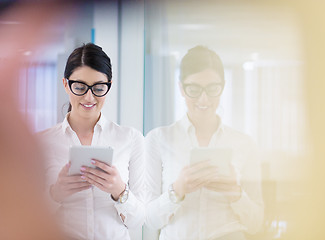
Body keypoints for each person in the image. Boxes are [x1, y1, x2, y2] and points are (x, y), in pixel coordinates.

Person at [145, 46, 264, 240]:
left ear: (223, 87)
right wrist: (178, 190)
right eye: (194, 89)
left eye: (212, 89)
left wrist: (235, 192)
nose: (204, 98)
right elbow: (150, 219)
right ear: (181, 88)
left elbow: (256, 223)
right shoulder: (158, 140)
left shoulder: (244, 144)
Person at [39, 43, 144, 240]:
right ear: (65, 84)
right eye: (79, 87)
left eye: (98, 87)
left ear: (109, 86)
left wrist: (119, 191)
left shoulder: (131, 139)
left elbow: (138, 221)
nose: (89, 97)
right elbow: (27, 217)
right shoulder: (42, 143)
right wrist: (55, 194)